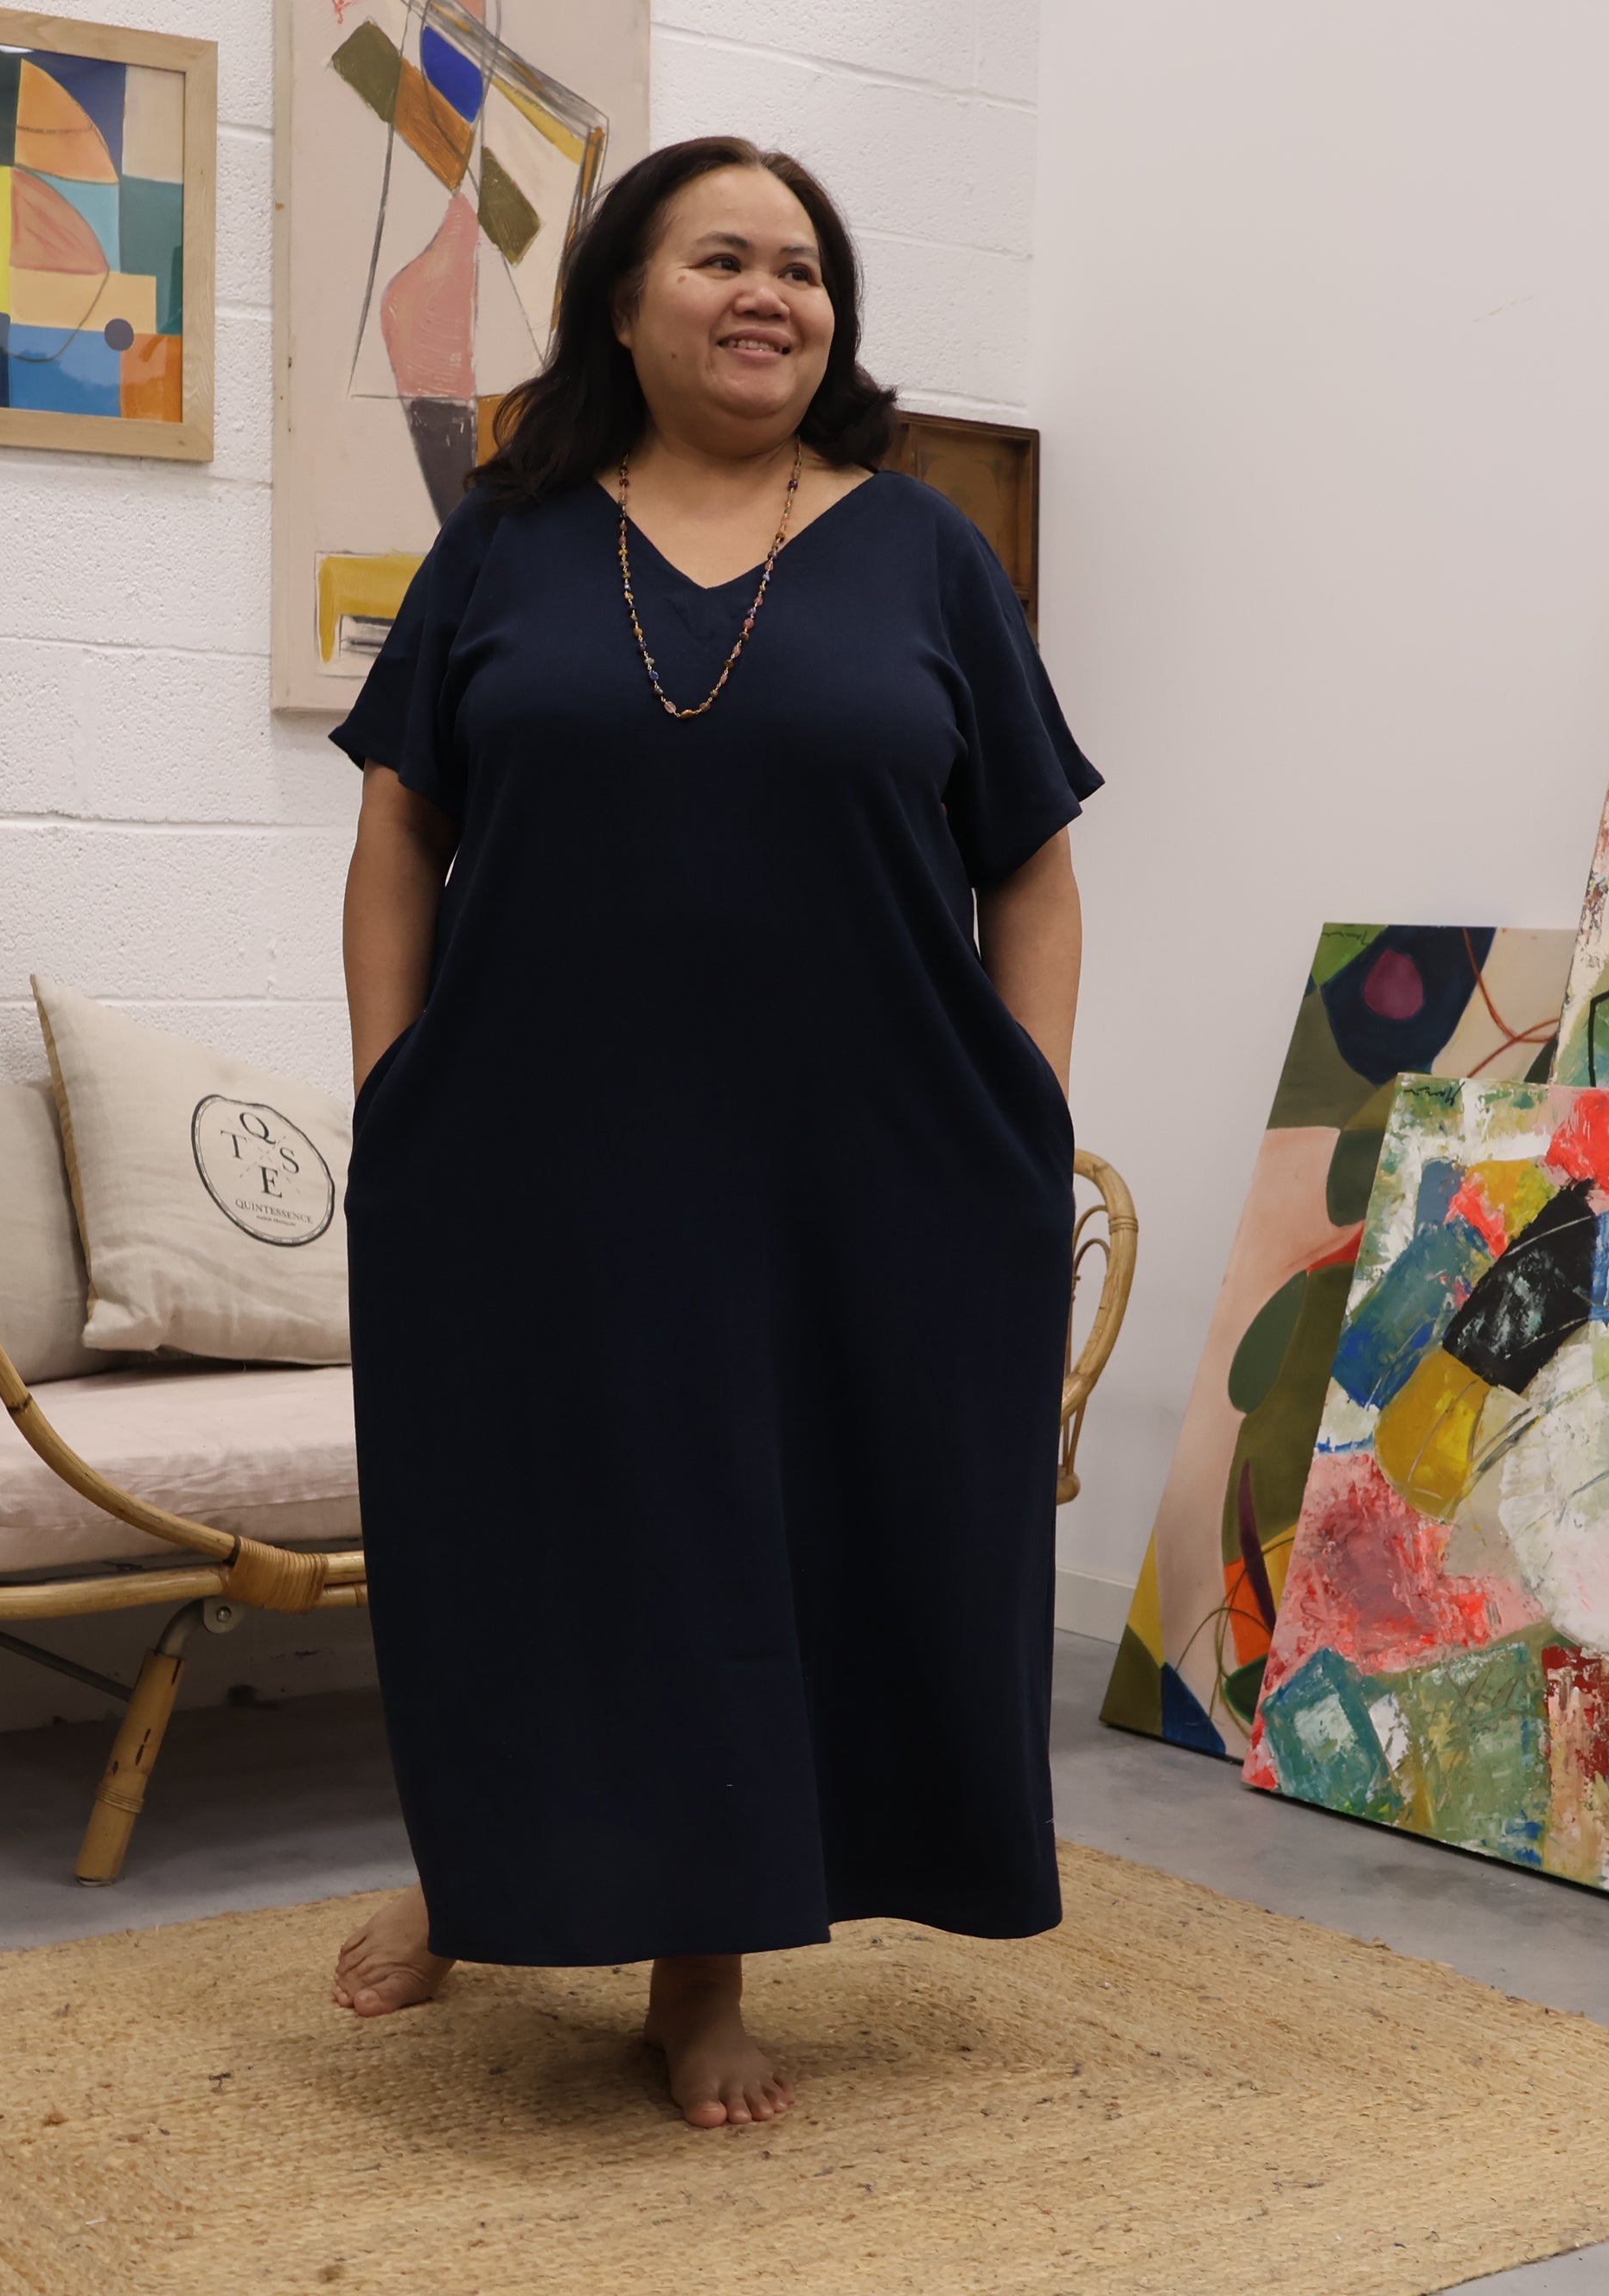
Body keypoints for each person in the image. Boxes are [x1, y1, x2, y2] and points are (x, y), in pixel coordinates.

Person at [329, 136, 1100, 2131]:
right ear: (621, 298)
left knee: (768, 1546)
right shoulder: (503, 539)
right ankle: (477, 1878)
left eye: (803, 268)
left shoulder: (925, 553)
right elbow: (399, 829)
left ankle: (700, 1971)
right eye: (720, 258)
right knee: (521, 1532)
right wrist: (392, 1090)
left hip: (860, 1163)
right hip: (532, 1152)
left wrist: (1022, 1113)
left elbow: (1028, 865)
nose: (770, 294)